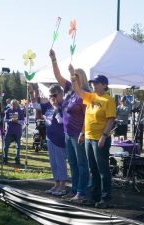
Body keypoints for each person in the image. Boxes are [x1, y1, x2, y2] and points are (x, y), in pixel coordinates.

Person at [69, 65, 116, 209]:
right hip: (89, 137)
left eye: (96, 83)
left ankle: (106, 198)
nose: (93, 85)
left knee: (102, 169)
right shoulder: (91, 97)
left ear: (104, 85)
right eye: (93, 83)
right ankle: (94, 196)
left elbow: (111, 119)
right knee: (93, 169)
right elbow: (78, 91)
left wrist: (104, 136)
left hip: (100, 138)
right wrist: (72, 74)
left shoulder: (108, 100)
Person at [49, 49, 89, 202]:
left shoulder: (84, 93)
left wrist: (83, 132)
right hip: (67, 133)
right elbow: (58, 76)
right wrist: (54, 59)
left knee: (81, 163)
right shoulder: (68, 90)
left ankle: (82, 191)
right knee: (72, 162)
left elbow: (87, 115)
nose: (72, 79)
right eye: (72, 76)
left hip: (78, 133)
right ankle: (74, 190)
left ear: (81, 78)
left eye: (75, 77)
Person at [30, 84, 68, 196]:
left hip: (60, 138)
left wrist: (56, 108)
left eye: (54, 95)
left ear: (61, 94)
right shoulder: (48, 105)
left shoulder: (64, 105)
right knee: (53, 163)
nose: (52, 98)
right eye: (50, 96)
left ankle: (62, 185)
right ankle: (56, 184)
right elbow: (35, 105)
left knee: (60, 162)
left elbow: (62, 121)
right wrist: (32, 93)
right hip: (49, 137)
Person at [3, 99, 24, 165]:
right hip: (9, 131)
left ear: (17, 105)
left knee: (18, 147)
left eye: (15, 105)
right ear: (11, 104)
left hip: (18, 131)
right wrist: (10, 120)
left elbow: (23, 122)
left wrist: (17, 121)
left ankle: (17, 159)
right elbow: (5, 120)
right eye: (12, 104)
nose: (14, 106)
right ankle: (5, 159)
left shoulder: (20, 111)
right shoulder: (8, 111)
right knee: (6, 146)